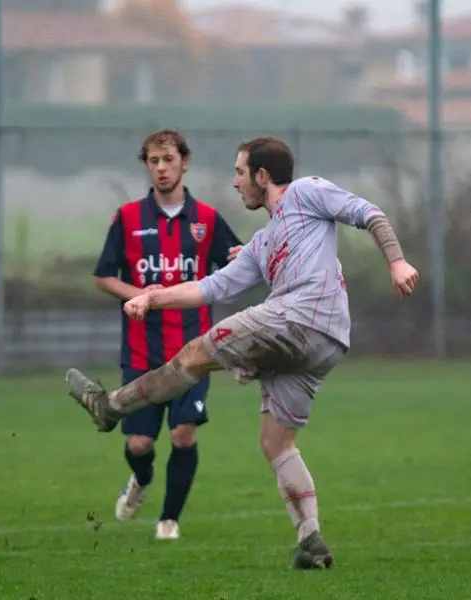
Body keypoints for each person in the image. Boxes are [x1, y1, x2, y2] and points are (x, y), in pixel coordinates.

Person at [65, 136, 418, 569]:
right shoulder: (263, 243)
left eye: (239, 172)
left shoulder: (306, 191)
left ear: (262, 176)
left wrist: (397, 261)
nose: (234, 183)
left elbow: (370, 214)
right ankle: (311, 541)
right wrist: (153, 298)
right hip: (324, 343)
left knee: (194, 352)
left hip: (297, 319)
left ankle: (111, 407)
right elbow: (211, 287)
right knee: (276, 442)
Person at [92, 129, 242, 540]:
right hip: (142, 351)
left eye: (168, 160)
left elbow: (236, 265)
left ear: (184, 162)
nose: (161, 169)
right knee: (139, 444)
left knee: (182, 432)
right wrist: (141, 295)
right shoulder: (127, 219)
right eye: (154, 162)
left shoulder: (207, 220)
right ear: (147, 166)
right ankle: (140, 480)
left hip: (194, 349)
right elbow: (104, 277)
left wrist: (248, 256)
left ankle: (169, 520)